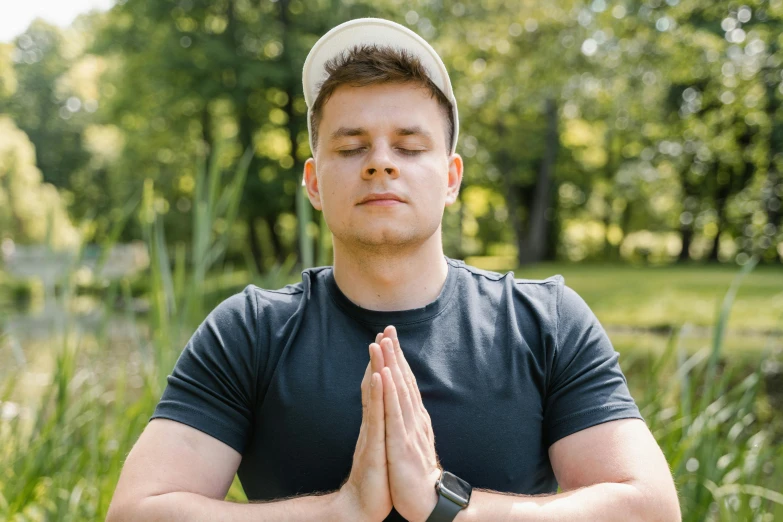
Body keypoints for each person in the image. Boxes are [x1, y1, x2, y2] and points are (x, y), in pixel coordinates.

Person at [107, 17, 681, 522]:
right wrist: (341, 512)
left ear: (452, 178)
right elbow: (137, 512)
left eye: (409, 147)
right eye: (352, 147)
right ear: (313, 182)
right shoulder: (250, 332)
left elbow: (651, 509)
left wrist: (446, 504)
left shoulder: (545, 321)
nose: (381, 163)